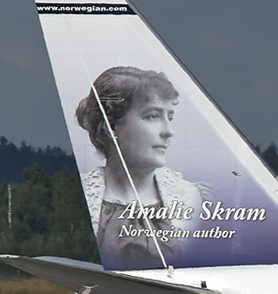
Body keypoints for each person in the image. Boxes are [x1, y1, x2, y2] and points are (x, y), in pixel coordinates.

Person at [74, 66, 205, 269]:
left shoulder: (191, 197)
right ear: (112, 126)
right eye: (152, 116)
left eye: (169, 117)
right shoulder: (82, 197)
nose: (168, 131)